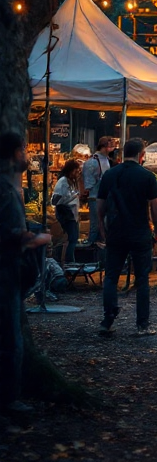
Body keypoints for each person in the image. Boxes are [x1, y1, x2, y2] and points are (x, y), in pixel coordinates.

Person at [1, 134, 52, 415]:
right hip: (6, 272)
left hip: (9, 272)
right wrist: (38, 239)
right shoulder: (6, 191)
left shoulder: (9, 188)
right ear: (14, 154)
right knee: (11, 339)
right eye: (24, 151)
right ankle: (9, 399)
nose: (27, 156)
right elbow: (12, 236)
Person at [97, 138, 157, 337]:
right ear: (142, 155)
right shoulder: (147, 176)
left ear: (123, 153)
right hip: (140, 232)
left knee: (111, 276)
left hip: (116, 231)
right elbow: (156, 207)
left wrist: (102, 229)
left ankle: (108, 319)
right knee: (142, 279)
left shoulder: (110, 174)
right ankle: (142, 324)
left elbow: (100, 206)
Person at [82, 136, 116, 246]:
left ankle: (98, 244)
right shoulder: (92, 162)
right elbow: (89, 183)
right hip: (95, 196)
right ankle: (91, 245)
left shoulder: (105, 160)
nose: (112, 149)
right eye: (110, 146)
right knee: (96, 223)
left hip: (104, 196)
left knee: (102, 223)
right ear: (104, 147)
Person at [52, 159, 82, 263]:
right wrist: (73, 196)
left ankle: (70, 261)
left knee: (73, 238)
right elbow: (56, 200)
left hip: (72, 214)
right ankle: (69, 262)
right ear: (70, 170)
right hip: (66, 214)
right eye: (76, 171)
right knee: (72, 238)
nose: (77, 173)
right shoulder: (63, 182)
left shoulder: (71, 181)